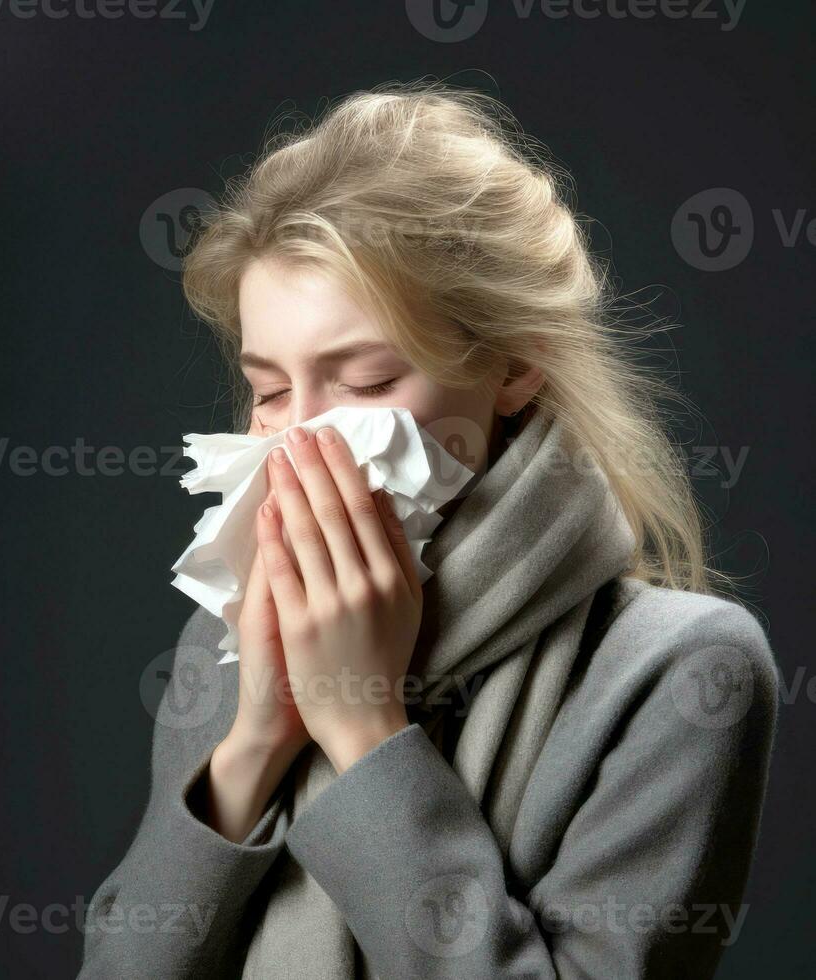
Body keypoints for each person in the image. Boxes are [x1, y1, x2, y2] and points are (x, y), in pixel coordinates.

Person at [79, 81, 777, 979]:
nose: (300, 438)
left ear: (514, 364)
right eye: (270, 390)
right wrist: (253, 743)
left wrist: (363, 725)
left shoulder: (675, 669)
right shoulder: (228, 639)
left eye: (366, 383)